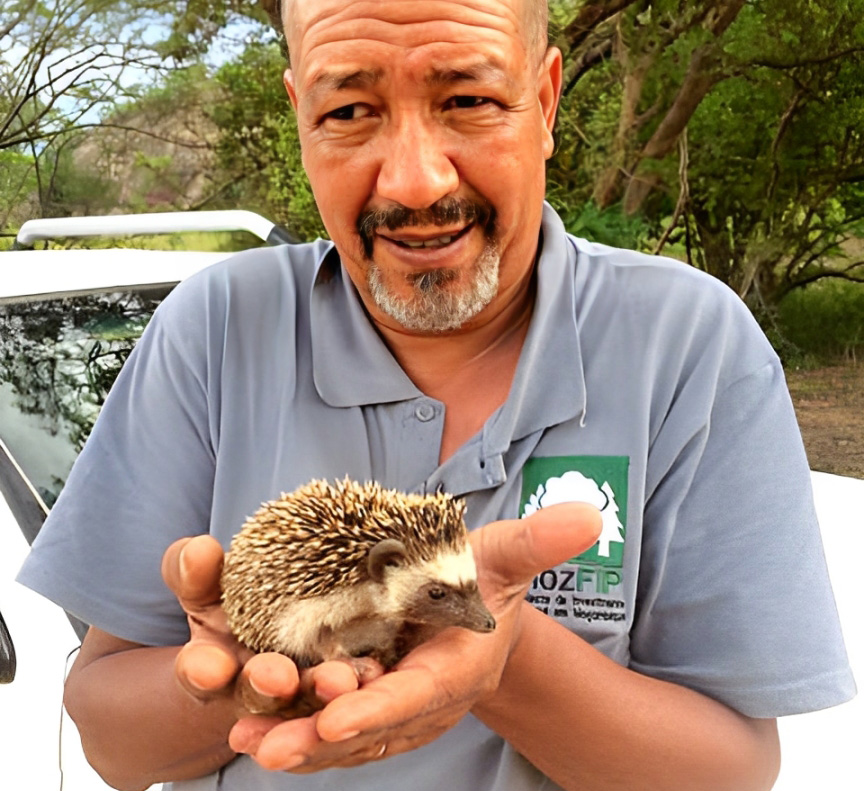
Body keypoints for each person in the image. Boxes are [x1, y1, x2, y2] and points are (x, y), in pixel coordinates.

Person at [18, 0, 855, 789]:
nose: (415, 183)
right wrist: (235, 678)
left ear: (546, 97)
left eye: (469, 98)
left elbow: (731, 769)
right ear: (300, 116)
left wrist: (508, 658)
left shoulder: (689, 342)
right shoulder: (214, 325)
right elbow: (109, 739)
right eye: (348, 111)